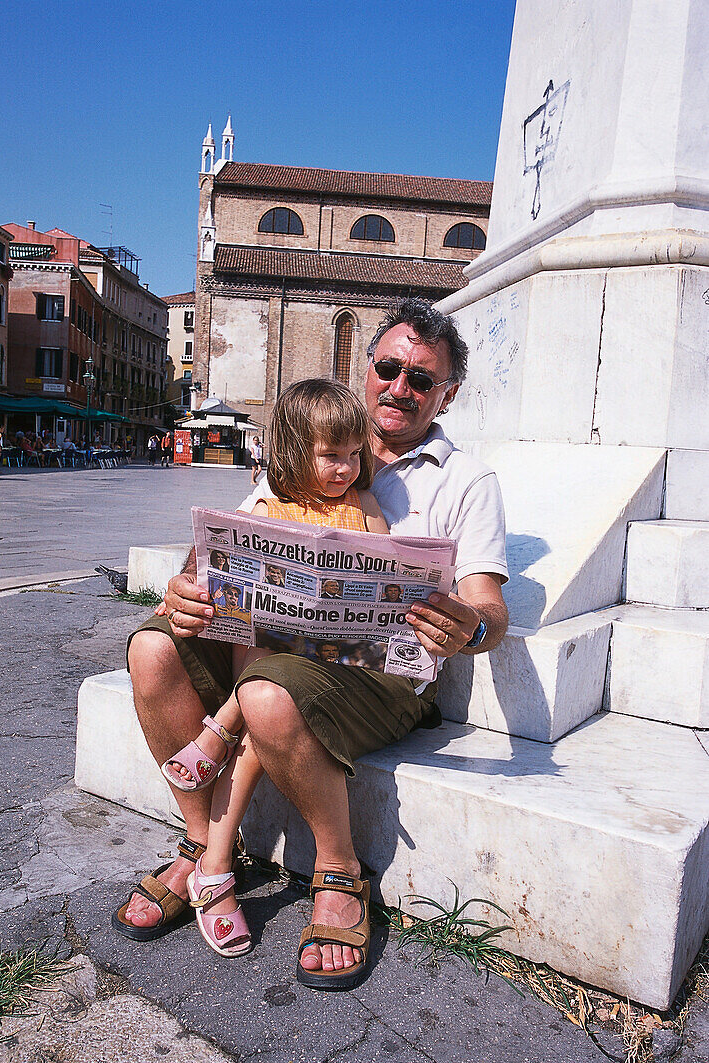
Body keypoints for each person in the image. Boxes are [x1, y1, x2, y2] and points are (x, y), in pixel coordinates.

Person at [118, 298, 509, 991]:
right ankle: (207, 844)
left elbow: (489, 610)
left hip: (378, 673)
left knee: (266, 692)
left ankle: (339, 873)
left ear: (448, 393)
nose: (401, 387)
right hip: (275, 643)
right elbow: (216, 554)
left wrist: (467, 627)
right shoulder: (305, 452)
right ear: (367, 371)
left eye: (423, 379)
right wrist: (182, 590)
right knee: (152, 650)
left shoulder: (466, 481)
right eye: (389, 368)